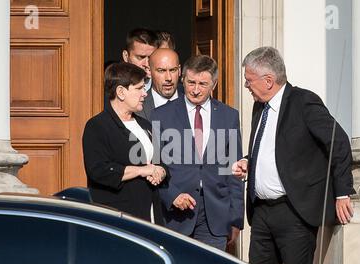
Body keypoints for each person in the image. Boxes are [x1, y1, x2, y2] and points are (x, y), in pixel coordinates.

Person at [232, 47, 355, 264]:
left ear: (268, 80)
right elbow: (273, 148)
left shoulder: (303, 102)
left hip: (295, 213)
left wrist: (342, 192)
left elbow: (338, 142)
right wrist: (249, 162)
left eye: (249, 80)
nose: (246, 86)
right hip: (261, 214)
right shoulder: (260, 106)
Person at [151, 55, 244, 250]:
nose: (195, 89)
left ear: (214, 84)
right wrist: (171, 196)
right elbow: (155, 166)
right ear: (182, 79)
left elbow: (234, 171)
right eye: (191, 82)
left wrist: (236, 218)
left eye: (202, 84)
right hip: (175, 213)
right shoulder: (161, 115)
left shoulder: (229, 116)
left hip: (216, 214)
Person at [83, 62, 167, 224]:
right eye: (139, 88)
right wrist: (141, 170)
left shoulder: (145, 125)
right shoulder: (97, 126)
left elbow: (161, 162)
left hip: (152, 215)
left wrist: (160, 172)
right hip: (118, 217)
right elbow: (99, 170)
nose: (145, 94)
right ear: (121, 92)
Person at [136, 48, 182, 121]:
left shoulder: (192, 103)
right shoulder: (137, 108)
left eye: (173, 70)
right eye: (161, 71)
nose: (168, 78)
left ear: (179, 70)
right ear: (149, 71)